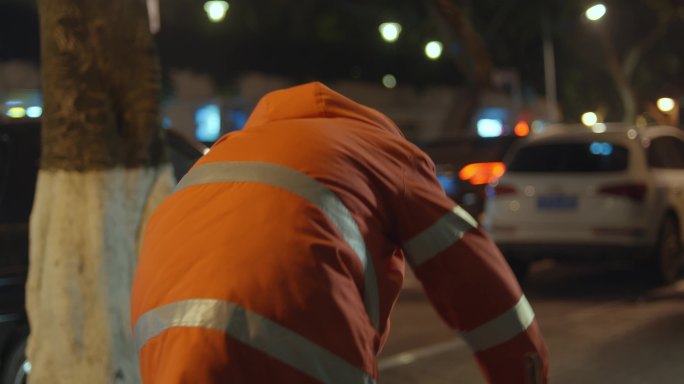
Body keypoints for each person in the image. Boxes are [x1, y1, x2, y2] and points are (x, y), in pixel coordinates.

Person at [130, 82, 549, 383]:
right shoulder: (385, 153)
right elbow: (479, 282)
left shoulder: (222, 153)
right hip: (299, 347)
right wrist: (526, 372)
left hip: (166, 352)